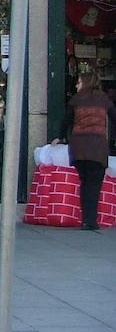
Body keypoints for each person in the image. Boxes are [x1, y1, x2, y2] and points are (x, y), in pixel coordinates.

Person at [51, 71, 116, 230]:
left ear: (85, 83)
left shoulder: (76, 99)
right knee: (94, 185)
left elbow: (66, 120)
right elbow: (114, 117)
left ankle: (86, 219)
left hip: (79, 146)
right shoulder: (104, 99)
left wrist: (59, 137)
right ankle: (90, 221)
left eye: (79, 82)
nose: (76, 85)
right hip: (97, 148)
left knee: (85, 182)